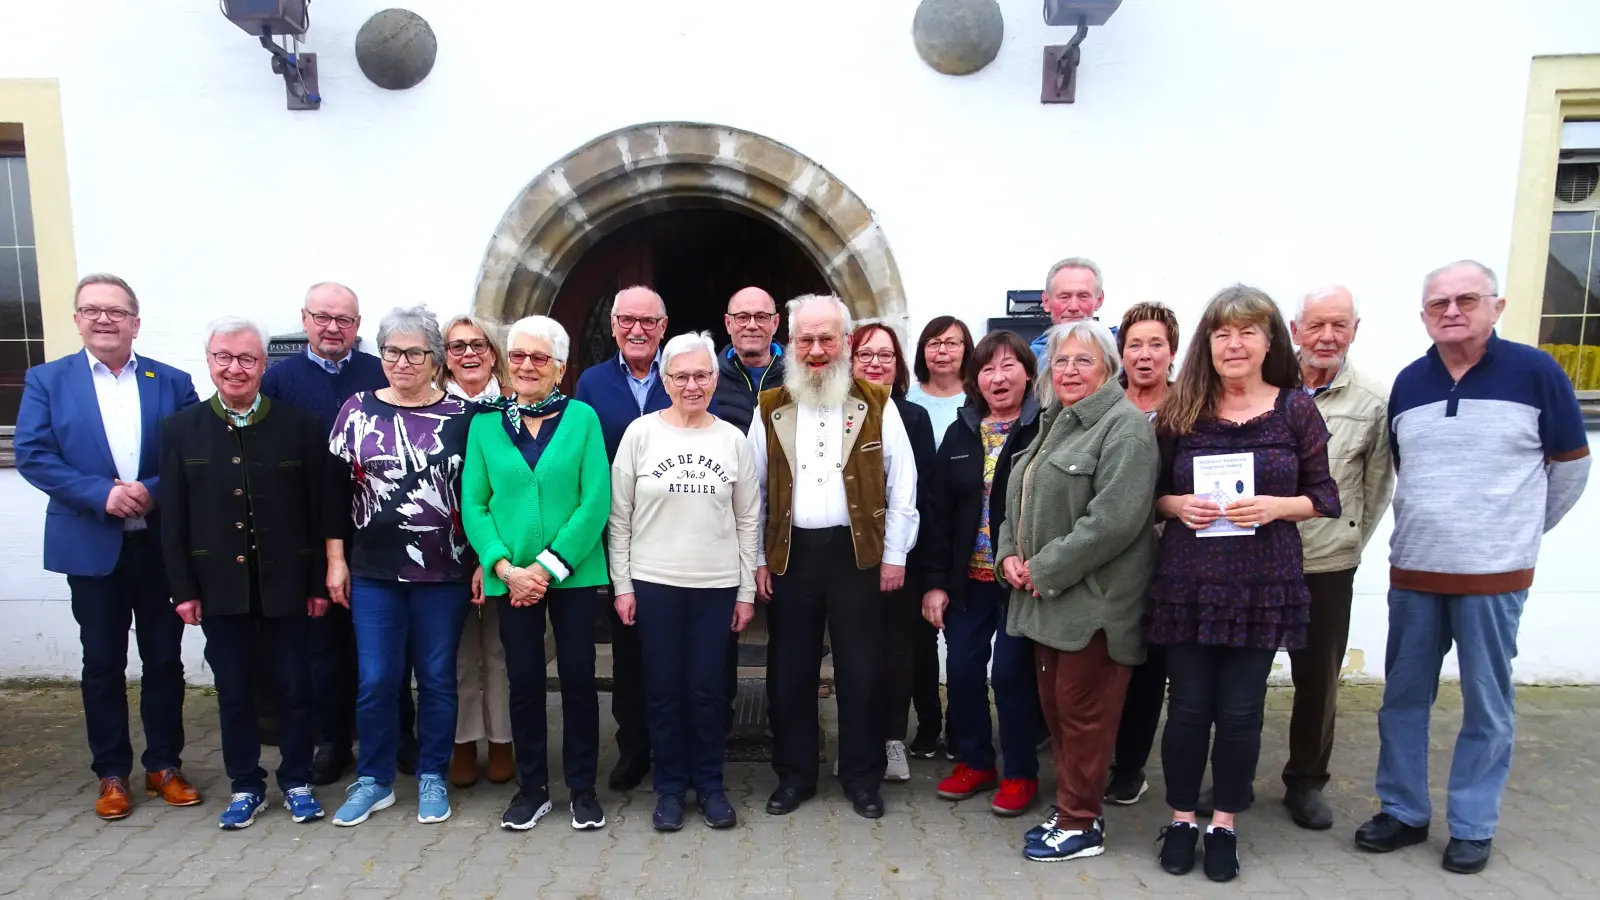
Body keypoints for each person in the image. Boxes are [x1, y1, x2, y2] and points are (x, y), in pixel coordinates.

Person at [1355, 261, 1590, 875]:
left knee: (1487, 703)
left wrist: (1515, 536)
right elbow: (1411, 472)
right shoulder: (1409, 383)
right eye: (1438, 304)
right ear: (1423, 315)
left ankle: (1473, 824)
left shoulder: (1536, 373)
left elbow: (1569, 467)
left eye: (1466, 299)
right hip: (1416, 574)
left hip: (1494, 578)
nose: (1451, 311)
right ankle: (1403, 811)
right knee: (1402, 699)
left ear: (1496, 305)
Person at [1145, 285, 1339, 882]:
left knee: (1239, 715)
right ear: (1208, 343)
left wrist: (1276, 507)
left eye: (1248, 331)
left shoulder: (1296, 408)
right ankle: (1181, 819)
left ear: (1270, 340)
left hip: (1261, 585)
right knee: (1186, 711)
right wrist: (1177, 504)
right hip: (1189, 583)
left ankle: (1224, 823)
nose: (1235, 343)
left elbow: (1326, 497)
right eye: (1223, 333)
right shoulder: (1182, 408)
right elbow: (1150, 495)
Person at [15, 273, 201, 820]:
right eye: (91, 310)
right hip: (93, 548)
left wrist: (152, 490)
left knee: (165, 661)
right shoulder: (48, 381)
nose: (104, 319)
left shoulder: (170, 381)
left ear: (135, 323)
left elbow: (193, 454)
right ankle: (111, 774)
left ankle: (164, 764)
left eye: (116, 311)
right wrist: (101, 495)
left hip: (160, 547)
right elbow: (33, 454)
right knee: (101, 664)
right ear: (76, 319)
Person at [750, 294, 919, 820]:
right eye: (807, 340)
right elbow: (752, 490)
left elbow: (903, 484)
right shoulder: (770, 405)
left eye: (827, 339)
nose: (817, 350)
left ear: (846, 343)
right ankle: (795, 775)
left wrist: (895, 556)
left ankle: (862, 777)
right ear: (792, 345)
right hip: (792, 554)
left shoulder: (877, 402)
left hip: (856, 555)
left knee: (862, 670)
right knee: (788, 671)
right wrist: (757, 557)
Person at [160, 317, 331, 829]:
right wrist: (183, 590)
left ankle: (297, 779)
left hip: (288, 587)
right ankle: (245, 784)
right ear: (210, 361)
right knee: (233, 690)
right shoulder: (180, 429)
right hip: (219, 590)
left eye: (247, 359)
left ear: (263, 365)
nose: (236, 369)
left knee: (295, 687)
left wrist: (319, 583)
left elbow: (319, 511)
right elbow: (174, 519)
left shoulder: (299, 427)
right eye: (224, 358)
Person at [999, 320, 1159, 862]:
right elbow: (1013, 496)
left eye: (1083, 361)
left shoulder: (1125, 428)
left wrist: (1041, 568)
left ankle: (1082, 823)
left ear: (1109, 369)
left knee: (1084, 714)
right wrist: (1009, 557)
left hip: (1091, 605)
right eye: (1061, 361)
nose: (1068, 371)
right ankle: (1072, 805)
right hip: (1047, 603)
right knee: (1061, 712)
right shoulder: (1054, 421)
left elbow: (1112, 523)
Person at [325, 305, 480, 828]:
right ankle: (374, 779)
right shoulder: (356, 410)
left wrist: (483, 561)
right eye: (393, 351)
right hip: (372, 573)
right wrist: (335, 560)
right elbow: (333, 494)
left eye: (415, 353)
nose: (403, 362)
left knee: (436, 677)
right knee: (376, 680)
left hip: (445, 573)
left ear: (436, 359)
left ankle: (433, 774)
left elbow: (479, 497)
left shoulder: (464, 418)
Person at [463, 315, 611, 833]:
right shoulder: (484, 426)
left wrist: (545, 568)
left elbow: (596, 501)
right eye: (519, 356)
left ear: (560, 368)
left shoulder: (583, 419)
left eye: (539, 357)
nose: (527, 365)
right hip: (510, 577)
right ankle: (532, 789)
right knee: (522, 681)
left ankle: (583, 788)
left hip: (570, 574)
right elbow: (475, 506)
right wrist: (504, 566)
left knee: (577, 680)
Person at [610, 331, 761, 831]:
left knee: (707, 690)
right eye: (681, 376)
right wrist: (623, 585)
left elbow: (747, 521)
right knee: (662, 691)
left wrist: (743, 591)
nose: (691, 385)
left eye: (701, 376)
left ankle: (711, 785)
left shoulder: (732, 440)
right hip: (654, 583)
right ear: (666, 380)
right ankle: (670, 789)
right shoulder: (641, 434)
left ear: (715, 380)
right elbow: (620, 516)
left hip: (715, 587)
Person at [259, 282, 398, 786]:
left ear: (358, 326)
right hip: (311, 531)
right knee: (324, 645)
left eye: (343, 319)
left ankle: (394, 737)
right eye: (322, 317)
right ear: (305, 320)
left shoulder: (377, 371)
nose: (333, 327)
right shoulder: (280, 380)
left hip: (377, 530)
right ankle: (332, 740)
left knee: (383, 643)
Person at [1277, 286, 1394, 830]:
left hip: (1326, 563)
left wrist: (1348, 546)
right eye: (1316, 325)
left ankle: (1305, 781)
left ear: (1355, 329)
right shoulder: (1266, 386)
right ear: (1296, 328)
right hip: (1257, 560)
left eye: (1339, 326)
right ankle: (1229, 775)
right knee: (1240, 675)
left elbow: (1375, 488)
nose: (1327, 337)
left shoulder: (1372, 400)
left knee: (1318, 679)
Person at [921, 331, 1045, 816]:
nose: (999, 377)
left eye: (1009, 365)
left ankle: (1019, 772)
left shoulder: (1044, 430)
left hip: (1019, 582)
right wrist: (934, 583)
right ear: (976, 379)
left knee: (1013, 677)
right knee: (964, 672)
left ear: (1029, 375)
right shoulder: (961, 431)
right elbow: (937, 512)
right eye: (989, 369)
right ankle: (976, 760)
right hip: (967, 581)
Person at [574, 285, 670, 792]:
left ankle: (679, 747)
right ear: (612, 326)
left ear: (663, 326)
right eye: (627, 320)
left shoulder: (681, 375)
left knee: (677, 647)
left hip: (678, 535)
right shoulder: (591, 382)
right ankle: (634, 748)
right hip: (618, 534)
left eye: (648, 321)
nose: (637, 330)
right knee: (629, 648)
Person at [848, 323, 936, 784]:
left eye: (885, 355)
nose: (876, 363)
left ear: (898, 363)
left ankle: (892, 741)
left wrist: (901, 553)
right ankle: (856, 741)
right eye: (865, 355)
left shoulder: (913, 417)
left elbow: (918, 492)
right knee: (853, 652)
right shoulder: (838, 411)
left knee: (896, 651)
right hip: (850, 556)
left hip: (901, 554)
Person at [1105, 301, 1181, 806]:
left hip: (1167, 558)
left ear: (1172, 352)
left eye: (1156, 344)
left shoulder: (1189, 412)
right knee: (1106, 660)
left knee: (1149, 666)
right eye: (1135, 344)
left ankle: (1130, 766)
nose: (1145, 355)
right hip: (1109, 557)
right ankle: (1097, 755)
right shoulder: (1105, 405)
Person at [441, 315, 516, 789]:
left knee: (500, 650)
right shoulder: (432, 408)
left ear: (494, 353)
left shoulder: (513, 409)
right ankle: (464, 742)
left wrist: (490, 557)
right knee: (458, 654)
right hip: (443, 553)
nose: (468, 354)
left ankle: (504, 741)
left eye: (478, 345)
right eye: (457, 346)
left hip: (504, 551)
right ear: (445, 357)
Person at [709, 286, 785, 732]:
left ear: (776, 323)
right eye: (742, 317)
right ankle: (718, 720)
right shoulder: (710, 376)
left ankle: (784, 718)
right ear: (728, 323)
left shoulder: (797, 374)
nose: (751, 324)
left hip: (790, 520)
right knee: (724, 626)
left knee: (791, 629)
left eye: (761, 316)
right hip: (723, 521)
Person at [907, 316, 972, 449]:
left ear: (966, 349)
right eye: (934, 344)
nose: (942, 351)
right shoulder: (907, 399)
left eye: (951, 343)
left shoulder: (978, 399)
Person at [1031, 258, 1112, 361]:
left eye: (1083, 296)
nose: (1073, 307)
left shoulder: (1121, 350)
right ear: (1046, 301)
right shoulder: (1030, 360)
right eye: (1064, 297)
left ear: (1099, 300)